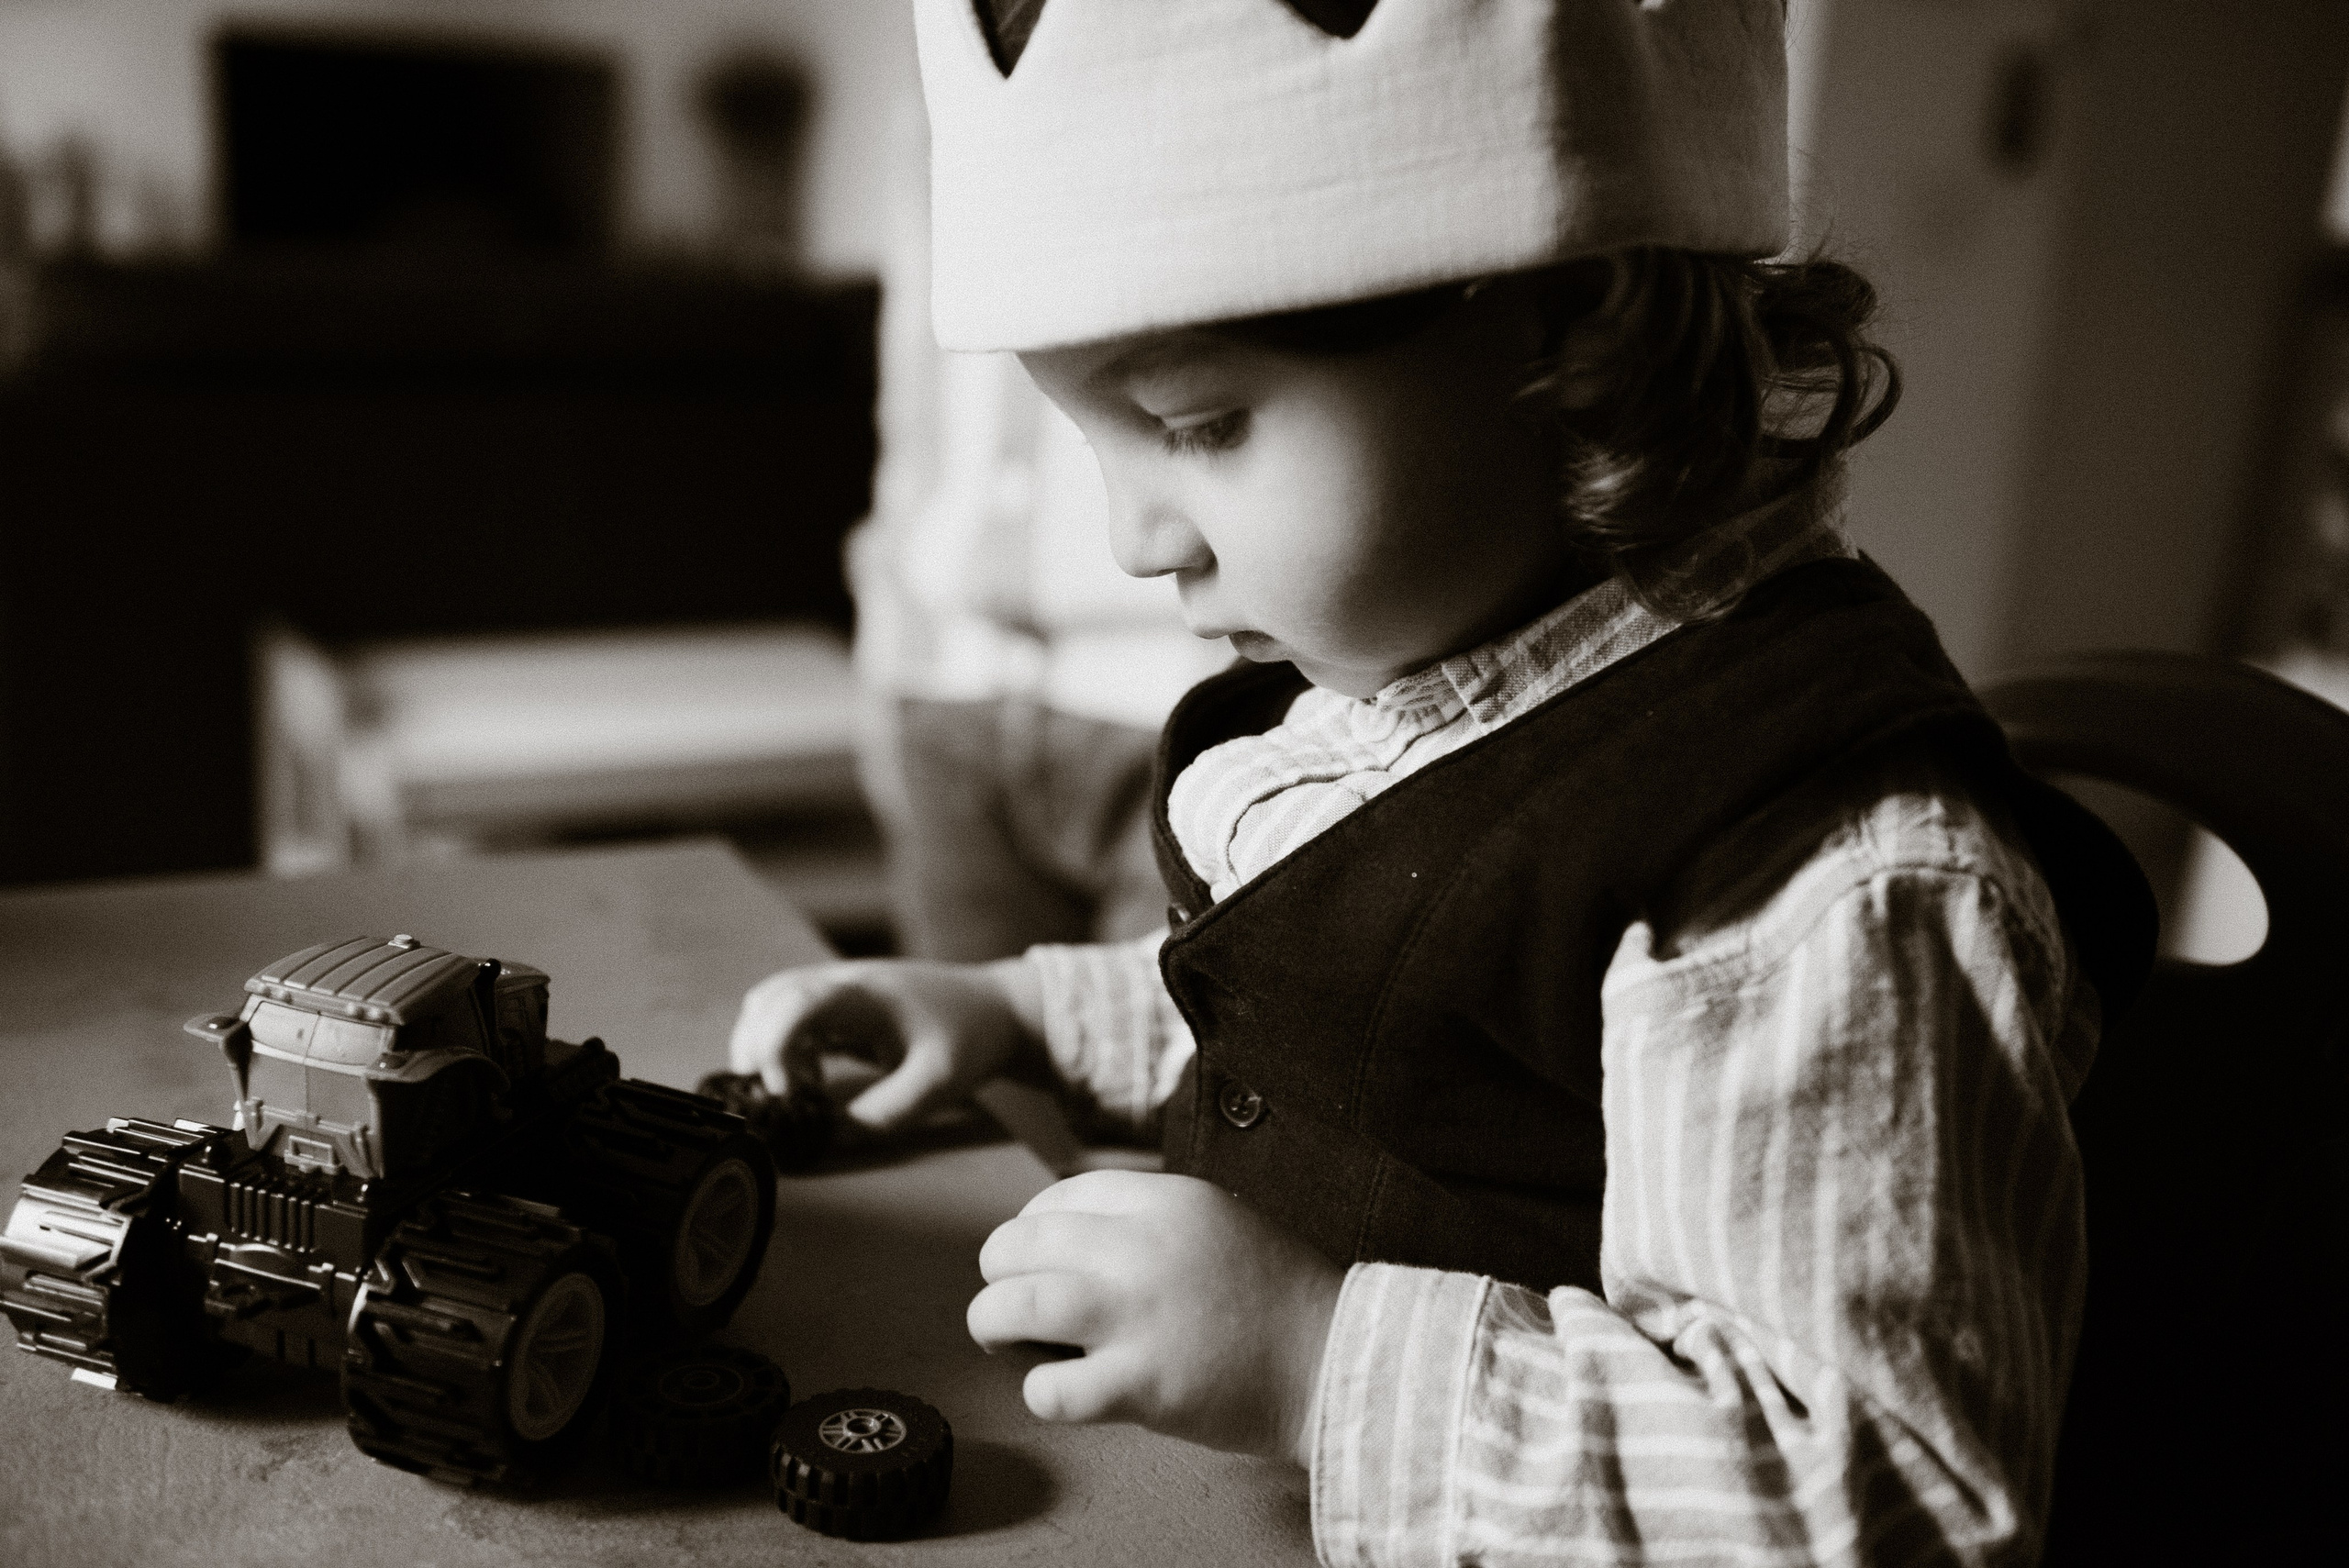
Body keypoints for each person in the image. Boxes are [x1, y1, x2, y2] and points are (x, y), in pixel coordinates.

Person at [732, 3, 2154, 1562]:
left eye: (1198, 425)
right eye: (1093, 443)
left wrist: (1312, 1352)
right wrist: (1017, 1010)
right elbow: (1343, 1002)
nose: (1135, 538)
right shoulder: (1416, 686)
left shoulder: (1809, 885)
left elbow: (1883, 1499)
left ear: (1581, 339)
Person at [851, 81, 1229, 966]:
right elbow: (915, 407)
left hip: (1175, 707)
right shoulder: (946, 70)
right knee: (969, 1091)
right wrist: (886, 653)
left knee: (1165, 1082)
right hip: (947, 695)